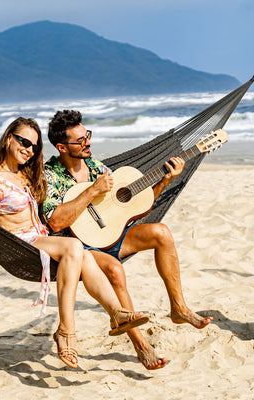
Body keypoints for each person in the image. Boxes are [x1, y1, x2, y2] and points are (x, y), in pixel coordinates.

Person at [40, 110, 213, 370]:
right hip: (80, 246)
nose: (87, 141)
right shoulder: (49, 175)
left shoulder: (96, 166)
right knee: (116, 271)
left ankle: (179, 308)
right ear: (62, 147)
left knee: (161, 232)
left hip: (112, 235)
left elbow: (131, 205)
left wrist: (166, 180)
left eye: (87, 135)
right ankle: (142, 346)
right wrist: (91, 190)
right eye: (80, 140)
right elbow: (55, 221)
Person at [0, 117, 149, 369]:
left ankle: (117, 313)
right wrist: (7, 245)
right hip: (19, 244)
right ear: (8, 139)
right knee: (74, 247)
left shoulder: (25, 174)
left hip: (43, 238)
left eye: (35, 146)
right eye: (24, 142)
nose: (29, 149)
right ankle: (66, 330)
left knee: (86, 255)